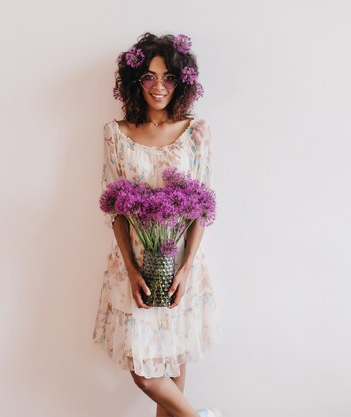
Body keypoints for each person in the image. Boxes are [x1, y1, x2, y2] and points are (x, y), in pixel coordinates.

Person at [93, 32, 222, 417]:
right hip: (135, 268)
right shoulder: (115, 134)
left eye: (168, 77)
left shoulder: (196, 132)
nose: (159, 86)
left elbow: (202, 205)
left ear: (182, 80)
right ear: (135, 81)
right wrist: (131, 270)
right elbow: (114, 209)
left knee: (172, 368)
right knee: (146, 373)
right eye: (149, 77)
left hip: (182, 267)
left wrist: (186, 268)